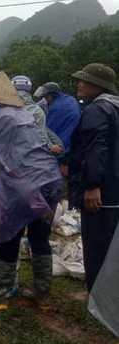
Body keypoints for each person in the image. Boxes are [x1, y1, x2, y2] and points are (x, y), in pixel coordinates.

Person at [0, 71, 63, 308]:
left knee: (7, 236)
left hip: (23, 186)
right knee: (40, 239)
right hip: (50, 179)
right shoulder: (24, 115)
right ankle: (42, 294)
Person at [67, 63, 119, 298]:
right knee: (111, 241)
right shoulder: (115, 107)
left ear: (97, 86)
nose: (79, 84)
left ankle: (96, 296)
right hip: (114, 186)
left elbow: (95, 148)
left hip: (102, 189)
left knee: (97, 242)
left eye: (84, 80)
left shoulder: (96, 110)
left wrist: (92, 185)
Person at [34, 82, 81, 159]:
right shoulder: (69, 99)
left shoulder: (55, 108)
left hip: (64, 148)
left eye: (46, 97)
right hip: (75, 145)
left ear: (51, 95)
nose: (44, 100)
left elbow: (46, 129)